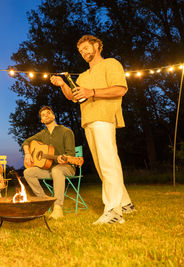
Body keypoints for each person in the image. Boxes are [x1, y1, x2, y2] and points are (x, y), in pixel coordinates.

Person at [50, 35, 135, 225]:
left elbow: (120, 89)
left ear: (97, 46)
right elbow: (73, 97)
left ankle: (113, 211)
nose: (84, 52)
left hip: (104, 118)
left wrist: (92, 92)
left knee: (108, 163)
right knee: (102, 166)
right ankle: (126, 203)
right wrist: (63, 84)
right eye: (81, 51)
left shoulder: (111, 64)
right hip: (88, 121)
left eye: (86, 48)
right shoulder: (83, 76)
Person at [23, 106, 76, 219]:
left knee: (57, 170)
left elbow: (71, 154)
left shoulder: (66, 131)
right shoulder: (42, 134)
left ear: (53, 115)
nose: (46, 115)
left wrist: (65, 158)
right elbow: (26, 142)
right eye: (43, 115)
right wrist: (28, 154)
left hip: (67, 168)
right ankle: (45, 200)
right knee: (28, 172)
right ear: (42, 120)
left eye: (48, 113)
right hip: (49, 169)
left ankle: (57, 208)